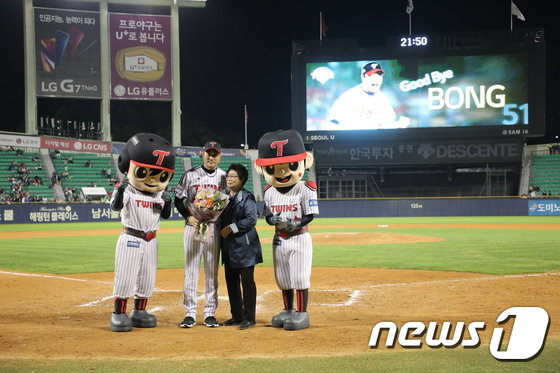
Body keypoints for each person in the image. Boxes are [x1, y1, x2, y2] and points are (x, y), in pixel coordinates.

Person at [108, 133, 176, 332]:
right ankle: (118, 314)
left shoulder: (160, 193)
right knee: (126, 277)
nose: (153, 179)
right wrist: (120, 190)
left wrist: (168, 202)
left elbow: (165, 215)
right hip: (131, 237)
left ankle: (139, 311)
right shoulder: (128, 189)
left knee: (147, 278)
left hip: (151, 239)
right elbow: (115, 206)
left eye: (160, 175)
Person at [254, 129, 319, 330]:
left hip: (299, 237)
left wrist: (298, 223)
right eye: (273, 169)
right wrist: (271, 219)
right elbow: (267, 216)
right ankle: (287, 309)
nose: (282, 173)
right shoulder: (269, 191)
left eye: (290, 165)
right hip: (279, 238)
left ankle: (302, 313)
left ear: (304, 162)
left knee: (299, 276)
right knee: (282, 277)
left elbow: (310, 215)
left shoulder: (305, 188)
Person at [174, 141, 227, 328]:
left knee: (212, 271)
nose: (211, 157)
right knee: (191, 269)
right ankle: (189, 313)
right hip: (193, 226)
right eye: (208, 153)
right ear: (202, 154)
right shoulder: (190, 175)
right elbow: (178, 199)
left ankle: (210, 313)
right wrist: (188, 217)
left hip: (213, 226)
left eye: (215, 154)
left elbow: (227, 202)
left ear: (220, 156)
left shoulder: (224, 177)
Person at [219, 163, 263, 330]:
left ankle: (249, 317)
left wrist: (232, 227)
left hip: (245, 248)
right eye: (228, 176)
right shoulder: (223, 196)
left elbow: (252, 220)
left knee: (247, 282)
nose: (230, 179)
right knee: (231, 282)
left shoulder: (247, 197)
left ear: (242, 180)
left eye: (233, 176)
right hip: (229, 247)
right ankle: (236, 316)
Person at [328, 61, 408, 130]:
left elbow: (388, 121)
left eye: (379, 76)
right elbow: (332, 122)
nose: (376, 79)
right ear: (363, 77)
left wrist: (399, 125)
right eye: (372, 76)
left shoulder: (382, 98)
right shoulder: (349, 96)